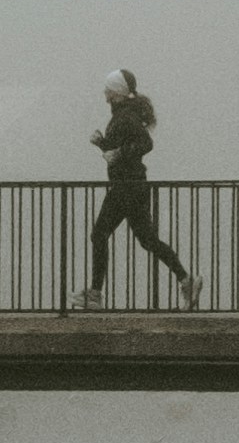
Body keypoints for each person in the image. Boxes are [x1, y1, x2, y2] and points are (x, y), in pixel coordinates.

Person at [82, 70, 195, 306]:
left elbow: (145, 144)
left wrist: (118, 151)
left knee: (99, 234)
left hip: (126, 187)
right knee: (148, 240)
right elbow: (118, 152)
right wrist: (102, 143)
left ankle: (94, 295)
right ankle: (186, 280)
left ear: (117, 92)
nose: (104, 94)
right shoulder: (124, 115)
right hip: (133, 185)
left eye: (108, 90)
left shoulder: (125, 117)